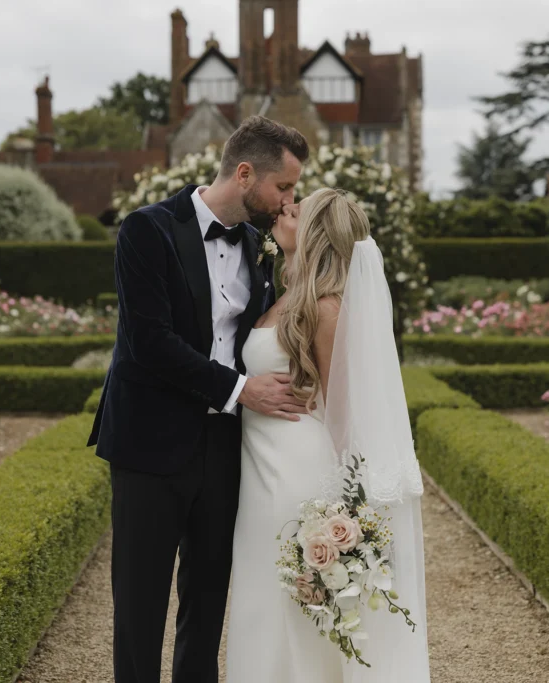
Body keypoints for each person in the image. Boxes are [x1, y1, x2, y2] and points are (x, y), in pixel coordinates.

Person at [87, 115, 310, 683]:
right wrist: (240, 389)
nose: (290, 198)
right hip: (149, 442)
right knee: (139, 605)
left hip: (223, 445)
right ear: (244, 173)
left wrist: (291, 256)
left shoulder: (260, 244)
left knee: (207, 600)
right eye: (283, 187)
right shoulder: (147, 230)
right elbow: (149, 342)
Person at [226, 188, 431, 681]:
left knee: (289, 610)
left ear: (317, 233)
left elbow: (345, 415)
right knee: (261, 601)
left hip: (294, 476)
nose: (287, 208)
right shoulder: (281, 297)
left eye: (301, 209)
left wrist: (344, 510)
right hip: (260, 469)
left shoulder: (326, 309)